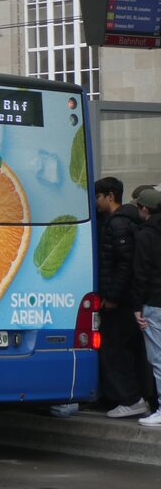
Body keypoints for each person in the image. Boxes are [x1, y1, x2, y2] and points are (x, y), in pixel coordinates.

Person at [94, 177, 150, 419]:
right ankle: (134, 397)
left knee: (114, 349)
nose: (95, 202)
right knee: (127, 349)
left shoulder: (117, 224)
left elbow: (123, 265)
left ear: (109, 196)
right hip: (130, 299)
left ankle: (131, 399)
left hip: (120, 301)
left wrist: (112, 297)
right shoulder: (127, 220)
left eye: (97, 197)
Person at [133, 188, 161, 427]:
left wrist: (136, 308)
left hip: (154, 302)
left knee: (158, 359)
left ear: (145, 209)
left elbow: (140, 274)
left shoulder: (146, 235)